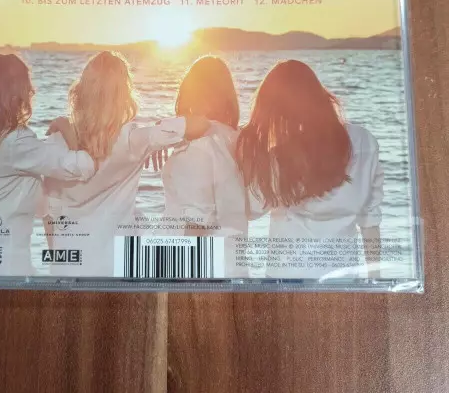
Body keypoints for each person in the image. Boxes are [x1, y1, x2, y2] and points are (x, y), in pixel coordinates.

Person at [43, 51, 209, 276]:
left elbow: (49, 213)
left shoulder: (56, 142)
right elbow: (200, 124)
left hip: (69, 266)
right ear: (123, 96)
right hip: (117, 266)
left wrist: (59, 263)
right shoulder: (133, 140)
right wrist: (161, 130)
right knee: (147, 231)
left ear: (80, 92)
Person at [0, 54, 96, 277]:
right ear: (14, 93)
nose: (32, 91)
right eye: (27, 85)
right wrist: (67, 129)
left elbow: (28, 165)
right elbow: (82, 167)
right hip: (2, 269)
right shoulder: (16, 140)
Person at [236, 60, 383, 280]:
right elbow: (370, 221)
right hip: (342, 279)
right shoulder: (364, 142)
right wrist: (375, 280)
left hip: (285, 278)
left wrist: (247, 158)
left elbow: (252, 210)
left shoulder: (278, 157)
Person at [161, 56, 249, 278]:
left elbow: (196, 223)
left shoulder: (198, 146)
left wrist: (184, 287)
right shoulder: (236, 139)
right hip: (233, 268)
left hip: (198, 274)